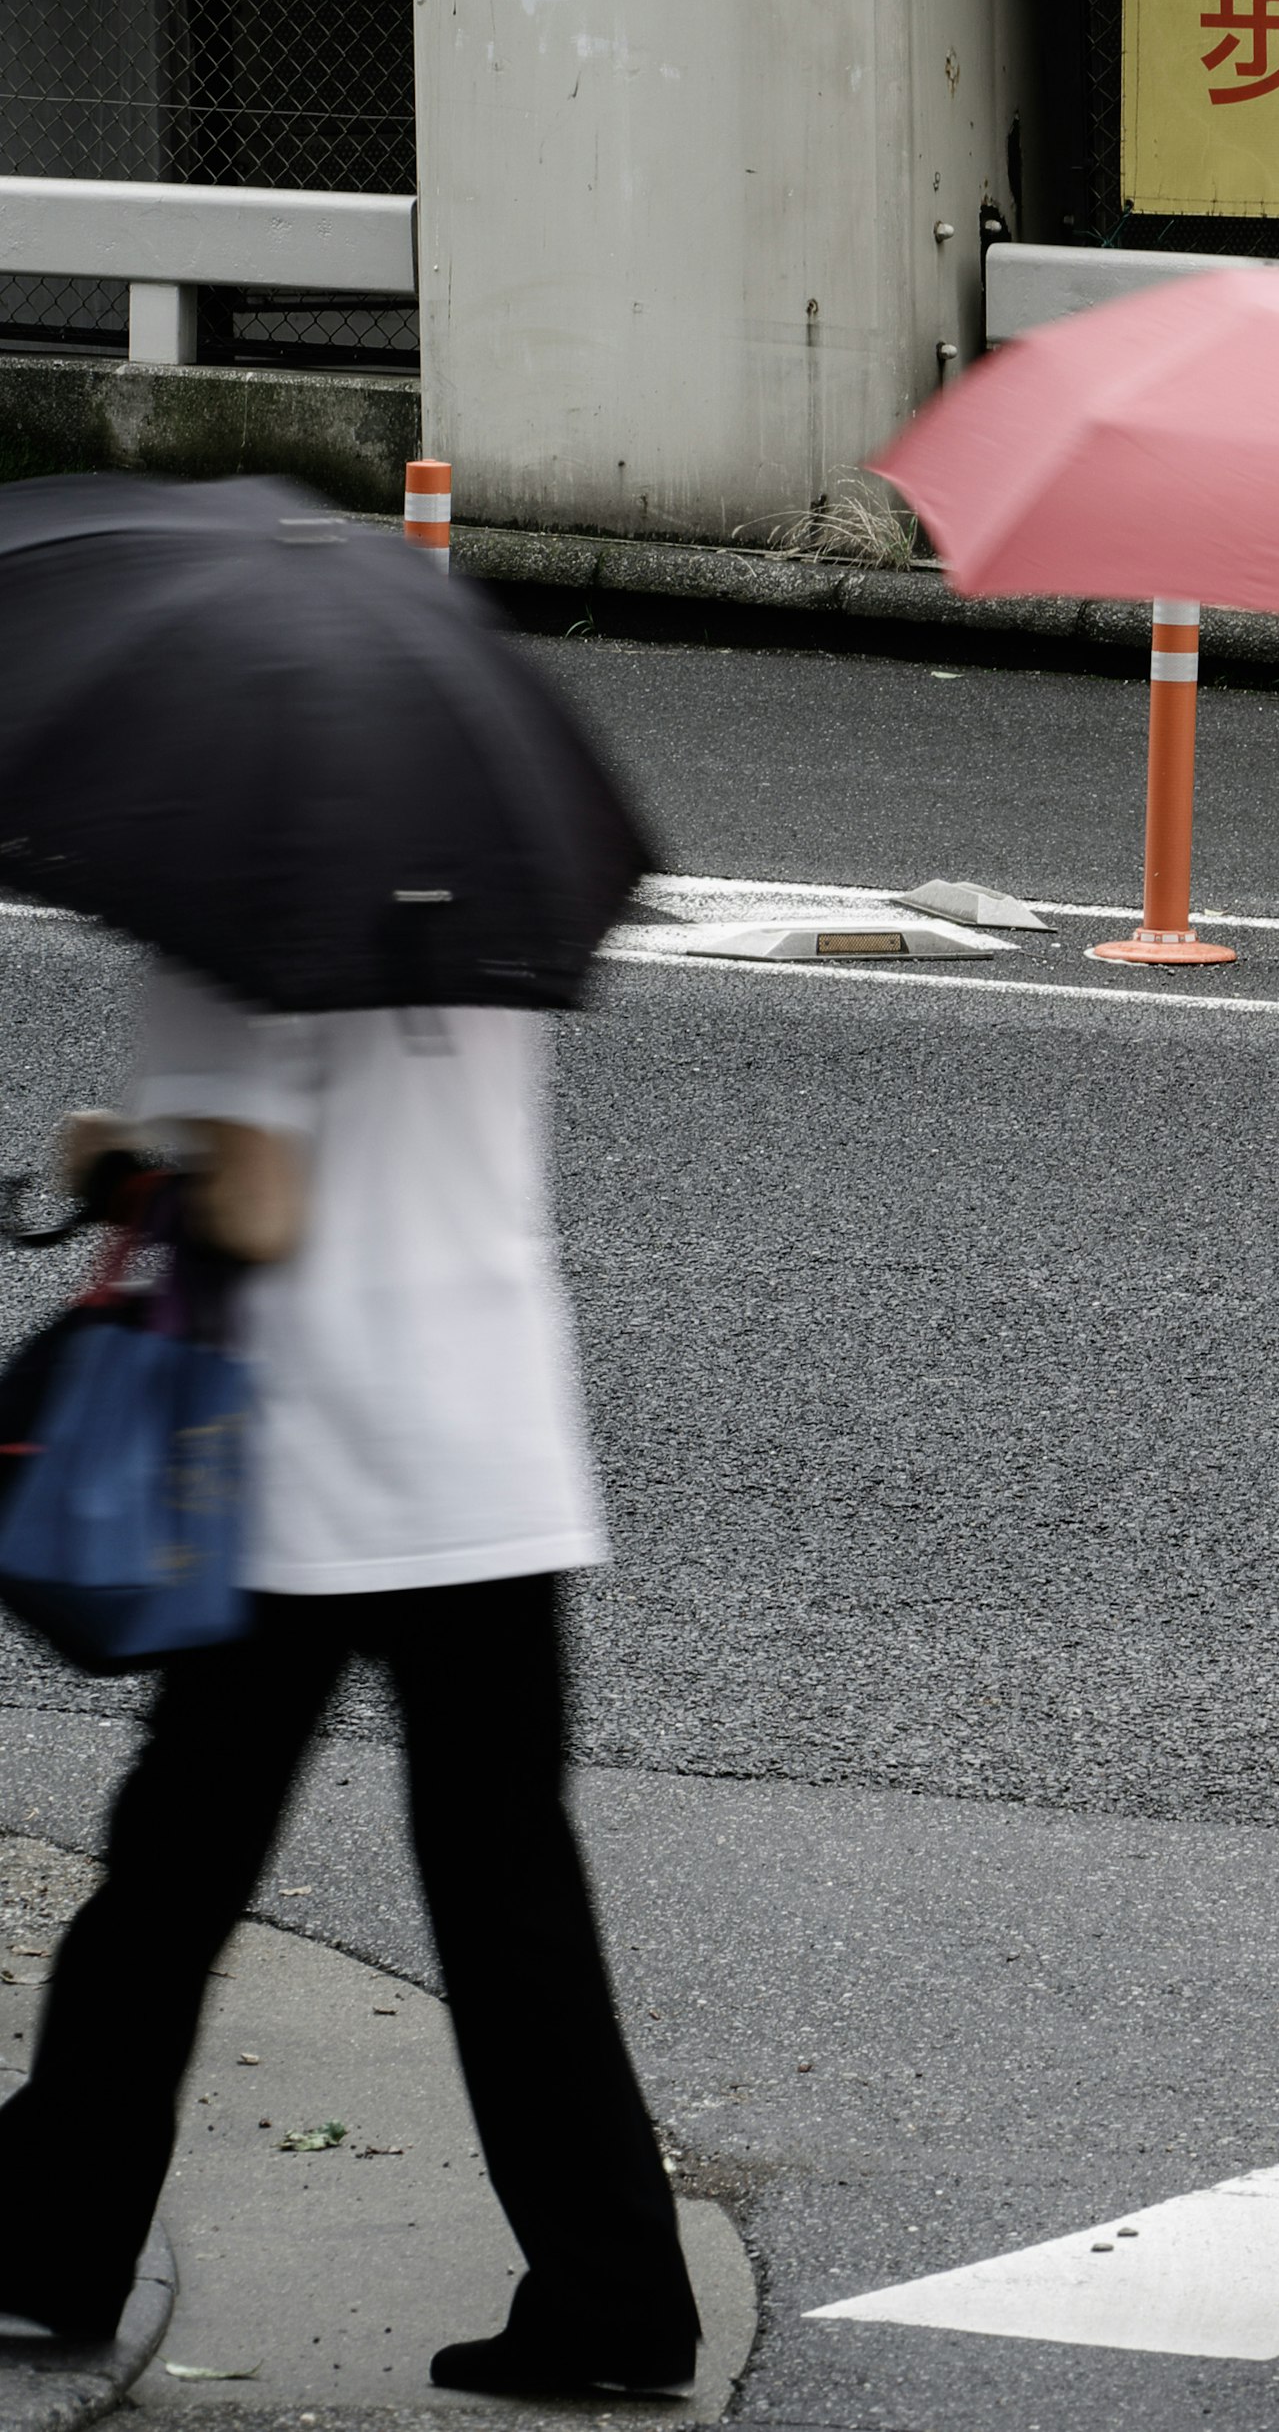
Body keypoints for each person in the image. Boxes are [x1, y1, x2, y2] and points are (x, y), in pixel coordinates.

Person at [0, 968, 699, 2393]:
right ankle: (615, 2295)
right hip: (494, 1456)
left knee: (169, 1880)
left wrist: (108, 1153)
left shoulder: (236, 940)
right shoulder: (481, 935)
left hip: (302, 1483)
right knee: (513, 1900)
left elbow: (258, 1206)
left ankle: (51, 2247)